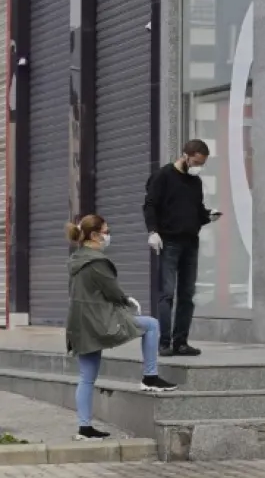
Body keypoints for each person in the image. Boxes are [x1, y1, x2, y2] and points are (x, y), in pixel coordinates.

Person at [66, 214, 176, 440]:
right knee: (151, 324)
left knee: (87, 378)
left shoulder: (77, 259)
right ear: (94, 235)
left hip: (80, 323)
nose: (108, 235)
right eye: (106, 231)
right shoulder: (97, 262)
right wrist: (127, 300)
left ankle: (84, 428)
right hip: (99, 321)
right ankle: (150, 377)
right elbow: (113, 292)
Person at [143, 139, 217, 357]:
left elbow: (196, 210)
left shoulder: (195, 182)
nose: (198, 167)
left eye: (202, 163)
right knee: (167, 293)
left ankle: (181, 342)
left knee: (187, 294)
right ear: (185, 155)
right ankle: (164, 342)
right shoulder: (163, 176)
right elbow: (150, 205)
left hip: (190, 241)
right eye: (196, 162)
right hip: (169, 241)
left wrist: (208, 216)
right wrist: (152, 231)